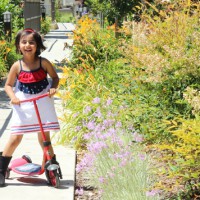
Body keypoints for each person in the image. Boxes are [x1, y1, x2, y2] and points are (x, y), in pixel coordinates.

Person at [0, 28, 61, 187]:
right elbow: (8, 85)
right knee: (15, 137)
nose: (28, 45)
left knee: (44, 137)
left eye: (32, 42)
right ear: (18, 45)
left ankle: (49, 166)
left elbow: (55, 78)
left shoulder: (44, 62)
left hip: (42, 101)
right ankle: (1, 169)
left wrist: (53, 88)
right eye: (24, 42)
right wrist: (13, 97)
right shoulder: (17, 65)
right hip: (23, 103)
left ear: (37, 45)